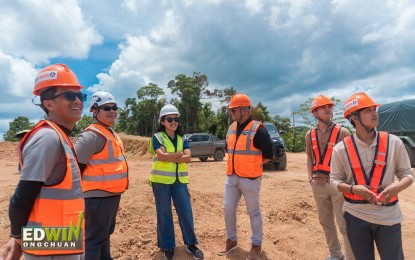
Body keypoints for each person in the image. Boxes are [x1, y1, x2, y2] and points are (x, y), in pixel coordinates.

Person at [1, 64, 86, 259]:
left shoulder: (60, 136)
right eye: (69, 96)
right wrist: (17, 238)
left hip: (63, 238)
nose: (78, 101)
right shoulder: (47, 137)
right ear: (48, 104)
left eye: (80, 96)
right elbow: (22, 198)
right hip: (49, 243)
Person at [330, 92, 414, 260]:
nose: (374, 113)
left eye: (374, 109)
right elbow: (334, 181)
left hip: (388, 217)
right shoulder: (340, 149)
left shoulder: (394, 142)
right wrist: (353, 189)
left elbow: (407, 174)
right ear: (354, 117)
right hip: (355, 216)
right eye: (367, 110)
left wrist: (397, 186)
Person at [217, 93, 273, 260]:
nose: (232, 113)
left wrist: (252, 165)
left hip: (250, 179)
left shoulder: (259, 130)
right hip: (232, 177)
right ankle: (231, 241)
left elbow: (268, 154)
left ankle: (256, 245)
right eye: (231, 110)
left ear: (244, 110)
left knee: (253, 212)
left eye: (234, 110)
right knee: (228, 208)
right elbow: (230, 149)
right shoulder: (231, 128)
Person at [75, 91, 128, 260]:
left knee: (104, 236)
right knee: (94, 240)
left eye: (114, 107)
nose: (112, 111)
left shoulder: (109, 132)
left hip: (111, 195)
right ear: (94, 111)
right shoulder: (90, 136)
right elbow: (76, 169)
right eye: (107, 108)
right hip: (96, 197)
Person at [149, 104, 204, 260]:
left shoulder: (182, 138)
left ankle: (191, 244)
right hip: (160, 182)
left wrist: (172, 155)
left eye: (176, 119)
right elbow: (161, 156)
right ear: (163, 121)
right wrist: (180, 155)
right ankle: (168, 246)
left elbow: (189, 158)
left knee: (186, 212)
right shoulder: (157, 137)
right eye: (170, 119)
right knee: (164, 213)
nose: (173, 121)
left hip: (180, 181)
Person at [305, 95, 353, 260]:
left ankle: (351, 256)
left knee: (344, 224)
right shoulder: (309, 135)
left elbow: (351, 160)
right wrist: (310, 177)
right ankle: (335, 255)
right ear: (315, 113)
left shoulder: (343, 132)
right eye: (323, 107)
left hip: (338, 185)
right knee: (326, 222)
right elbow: (310, 158)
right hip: (318, 185)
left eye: (329, 107)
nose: (328, 109)